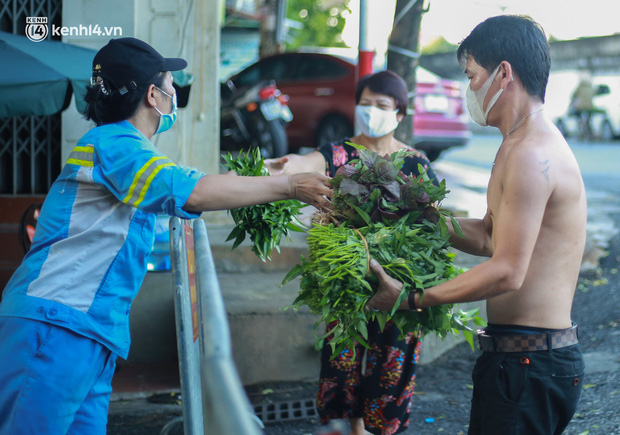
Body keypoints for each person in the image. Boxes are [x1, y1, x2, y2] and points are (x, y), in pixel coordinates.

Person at [0, 37, 332, 435]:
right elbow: (190, 191)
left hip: (90, 333)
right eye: (171, 84)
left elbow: (189, 190)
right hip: (55, 326)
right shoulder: (114, 145)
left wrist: (263, 174)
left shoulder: (129, 155)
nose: (176, 93)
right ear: (153, 95)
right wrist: (290, 186)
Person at [367, 15, 587, 435]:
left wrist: (411, 298)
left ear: (503, 74)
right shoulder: (517, 145)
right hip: (522, 361)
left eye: (472, 76)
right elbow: (490, 235)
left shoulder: (530, 153)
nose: (469, 89)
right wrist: (423, 215)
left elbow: (507, 270)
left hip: (530, 364)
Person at [266, 70, 437, 435]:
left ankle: (382, 428)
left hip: (398, 280)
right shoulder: (338, 153)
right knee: (343, 358)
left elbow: (434, 225)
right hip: (346, 278)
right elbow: (304, 162)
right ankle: (353, 429)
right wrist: (284, 166)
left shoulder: (417, 165)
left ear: (400, 114)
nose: (371, 110)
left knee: (392, 358)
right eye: (365, 103)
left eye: (382, 105)